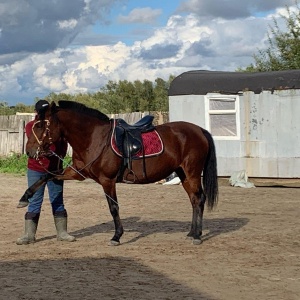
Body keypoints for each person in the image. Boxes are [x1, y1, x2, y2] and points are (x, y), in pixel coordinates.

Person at [16, 99, 76, 245]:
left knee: (57, 200)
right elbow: (37, 143)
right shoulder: (31, 126)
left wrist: (59, 155)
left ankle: (62, 233)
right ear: (37, 112)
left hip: (55, 169)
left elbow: (63, 145)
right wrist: (45, 153)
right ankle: (29, 235)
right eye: (41, 112)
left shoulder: (56, 127)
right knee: (35, 201)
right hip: (35, 169)